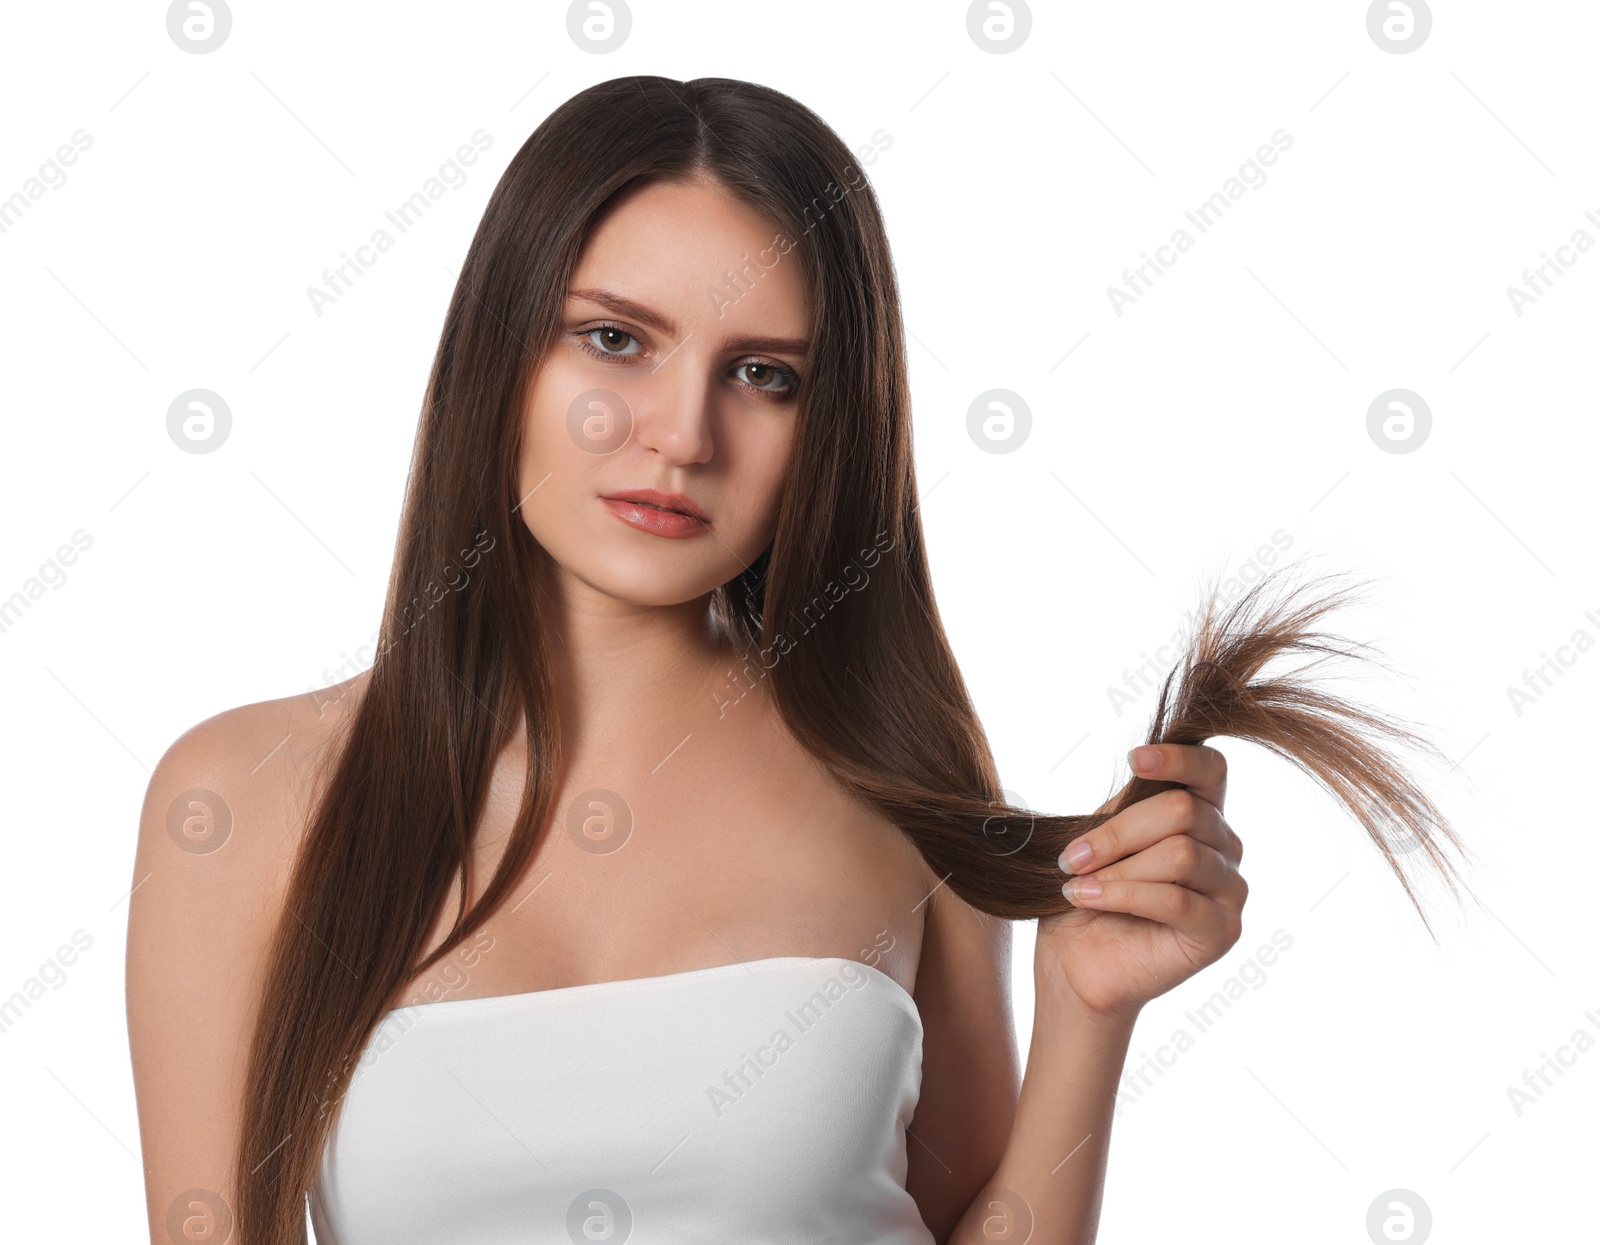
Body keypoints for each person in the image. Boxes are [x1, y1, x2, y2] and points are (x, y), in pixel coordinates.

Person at [126, 76, 1465, 1245]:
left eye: (766, 374)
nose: (681, 435)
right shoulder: (246, 799)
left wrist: (1084, 1012)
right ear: (501, 354)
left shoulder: (896, 779)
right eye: (615, 340)